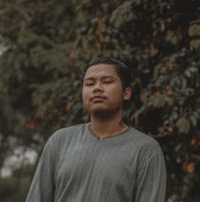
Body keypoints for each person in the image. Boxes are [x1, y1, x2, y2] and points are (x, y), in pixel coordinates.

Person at [26, 57, 166, 202]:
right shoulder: (60, 141)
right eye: (89, 83)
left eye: (107, 81)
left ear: (126, 93)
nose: (97, 88)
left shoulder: (145, 150)